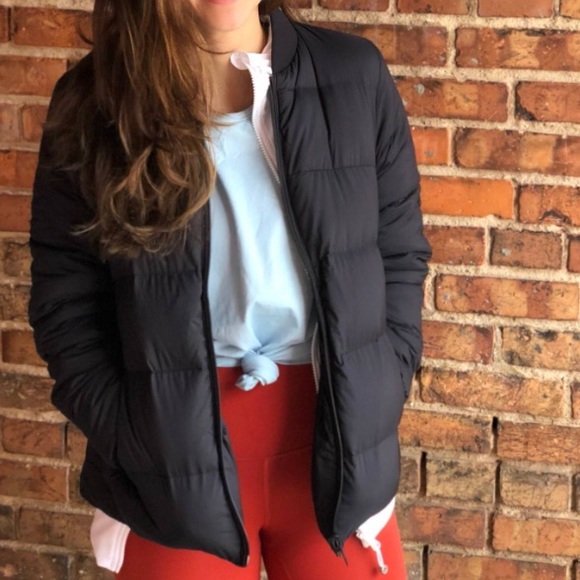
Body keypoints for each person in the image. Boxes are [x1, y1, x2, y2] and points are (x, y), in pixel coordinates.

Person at [28, 0, 431, 578]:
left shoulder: (353, 75)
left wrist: (383, 381)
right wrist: (130, 431)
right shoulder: (96, 100)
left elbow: (400, 255)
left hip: (339, 449)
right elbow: (65, 298)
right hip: (168, 467)